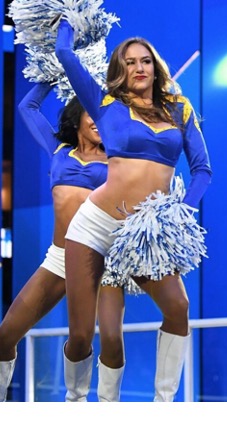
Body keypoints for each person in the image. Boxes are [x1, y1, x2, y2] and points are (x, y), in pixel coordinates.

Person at [55, 18, 211, 402]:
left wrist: (180, 211)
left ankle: (163, 404)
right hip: (94, 225)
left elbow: (202, 170)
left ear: (155, 67)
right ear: (119, 71)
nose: (139, 68)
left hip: (144, 235)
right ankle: (76, 404)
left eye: (145, 61)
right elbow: (64, 54)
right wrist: (68, 19)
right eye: (129, 62)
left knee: (178, 307)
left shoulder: (179, 108)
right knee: (85, 334)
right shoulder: (104, 103)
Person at [0, 83, 127, 402]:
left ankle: (82, 405)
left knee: (95, 339)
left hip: (101, 262)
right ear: (77, 115)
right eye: (91, 112)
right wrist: (52, 75)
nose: (98, 119)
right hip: (59, 258)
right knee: (4, 336)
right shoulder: (58, 149)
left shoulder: (117, 159)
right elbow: (27, 107)